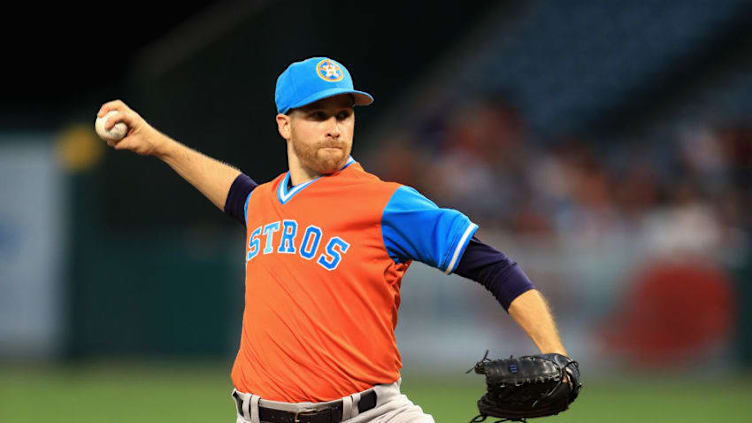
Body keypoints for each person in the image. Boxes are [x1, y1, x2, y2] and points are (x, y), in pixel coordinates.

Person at [97, 57, 571, 423]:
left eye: (344, 114)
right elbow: (236, 191)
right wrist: (157, 144)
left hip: (369, 414)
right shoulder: (264, 202)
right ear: (284, 123)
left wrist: (557, 354)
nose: (334, 127)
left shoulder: (386, 203)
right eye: (317, 114)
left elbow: (493, 266)